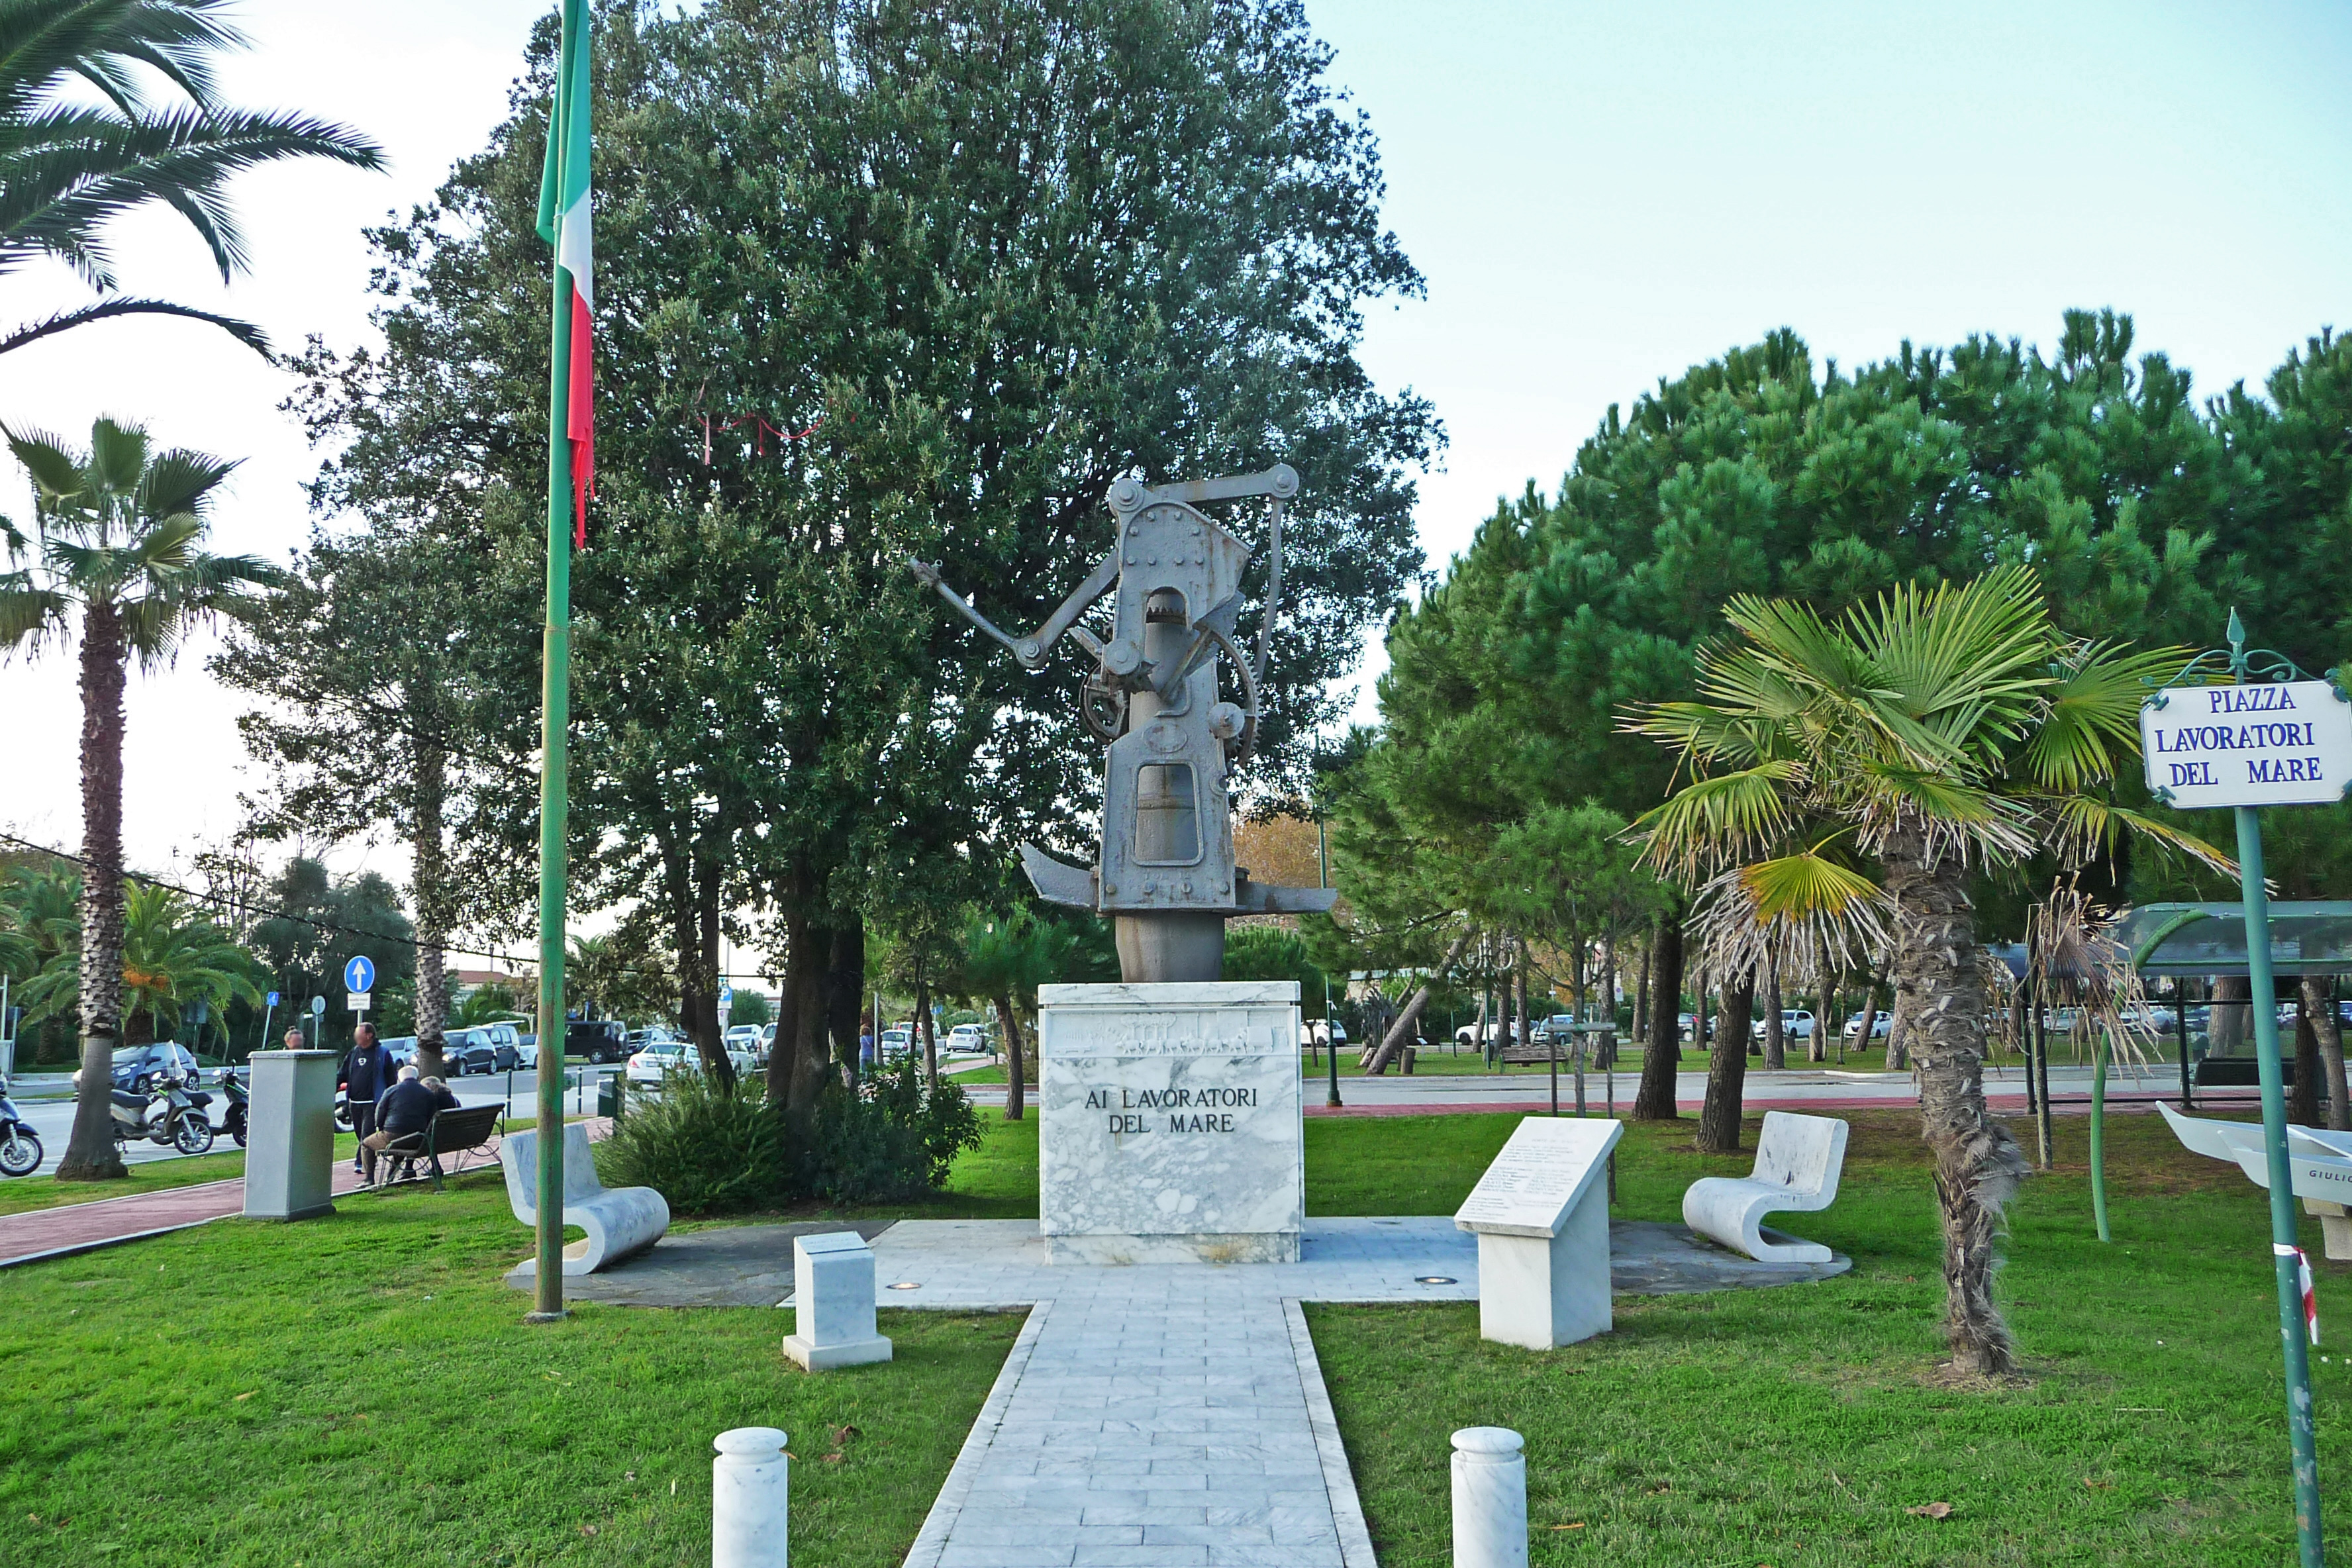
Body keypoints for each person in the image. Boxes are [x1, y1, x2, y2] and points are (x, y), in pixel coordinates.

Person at [337, 1022, 397, 1179]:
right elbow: (343, 1073)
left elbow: (391, 1079)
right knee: (359, 1134)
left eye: (359, 1033)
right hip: (354, 1102)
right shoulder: (354, 1053)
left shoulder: (382, 1053)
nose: (356, 1036)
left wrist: (388, 1098)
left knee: (366, 1135)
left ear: (369, 1035)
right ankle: (367, 1159)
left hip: (373, 1102)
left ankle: (362, 1164)